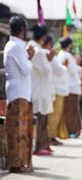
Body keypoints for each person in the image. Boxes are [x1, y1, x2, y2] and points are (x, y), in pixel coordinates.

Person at [4, 16, 34, 173]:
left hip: (21, 92)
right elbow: (26, 69)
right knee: (17, 131)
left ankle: (21, 162)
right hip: (18, 93)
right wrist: (30, 57)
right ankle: (16, 164)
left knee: (23, 130)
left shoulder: (16, 46)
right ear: (23, 29)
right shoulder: (15, 46)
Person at [28, 25, 54, 156]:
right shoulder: (38, 51)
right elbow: (46, 70)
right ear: (43, 38)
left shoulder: (34, 48)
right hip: (39, 89)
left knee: (42, 119)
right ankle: (39, 146)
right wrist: (49, 61)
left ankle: (43, 144)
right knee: (41, 119)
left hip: (37, 87)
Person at [45, 34, 67, 146]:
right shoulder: (49, 55)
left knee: (54, 114)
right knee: (54, 114)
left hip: (55, 88)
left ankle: (52, 136)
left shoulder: (52, 55)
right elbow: (59, 70)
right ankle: (51, 136)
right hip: (55, 88)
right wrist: (64, 67)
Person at [58, 37, 82, 138]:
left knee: (67, 110)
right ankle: (71, 130)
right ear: (69, 45)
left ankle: (68, 130)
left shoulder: (59, 55)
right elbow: (73, 70)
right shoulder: (67, 56)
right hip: (71, 86)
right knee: (71, 110)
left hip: (65, 85)